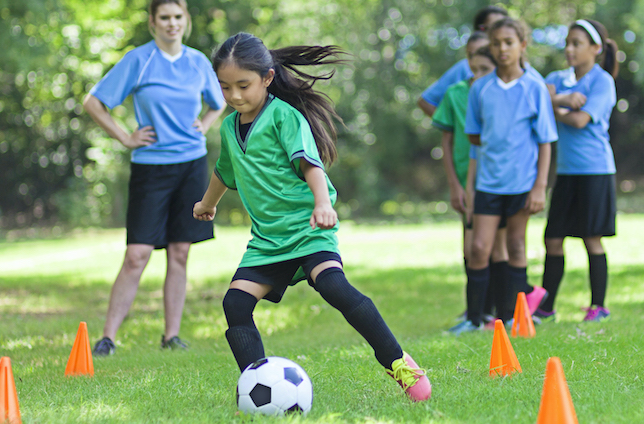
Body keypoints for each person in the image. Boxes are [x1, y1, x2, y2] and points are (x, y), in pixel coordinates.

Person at [192, 32, 431, 401]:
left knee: (334, 287)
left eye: (244, 85)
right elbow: (225, 172)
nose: (235, 96)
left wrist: (323, 204)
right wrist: (208, 203)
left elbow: (309, 163)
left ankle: (398, 361)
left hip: (307, 229)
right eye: (225, 87)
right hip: (269, 240)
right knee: (235, 304)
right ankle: (254, 387)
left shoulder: (284, 117)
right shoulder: (227, 127)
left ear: (267, 78)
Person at [83, 0, 226, 356]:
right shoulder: (138, 60)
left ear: (186, 20)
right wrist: (125, 138)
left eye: (178, 16)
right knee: (137, 254)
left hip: (191, 165)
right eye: (165, 17)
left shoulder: (197, 62)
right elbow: (93, 103)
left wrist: (205, 124)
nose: (172, 24)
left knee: (180, 252)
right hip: (150, 167)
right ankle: (108, 338)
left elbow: (219, 100)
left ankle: (171, 336)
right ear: (153, 22)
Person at [449, 18, 558, 334]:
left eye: (509, 42)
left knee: (516, 245)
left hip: (523, 185)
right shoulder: (480, 89)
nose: (502, 49)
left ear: (522, 46)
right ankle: (474, 319)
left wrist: (539, 186)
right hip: (488, 184)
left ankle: (513, 317)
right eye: (496, 43)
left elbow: (545, 141)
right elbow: (474, 136)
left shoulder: (534, 87)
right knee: (479, 248)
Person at [534, 19, 618, 323]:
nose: (569, 49)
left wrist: (554, 106)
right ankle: (546, 307)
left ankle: (599, 307)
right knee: (553, 239)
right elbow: (533, 98)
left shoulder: (602, 81)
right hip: (567, 173)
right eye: (567, 43)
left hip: (596, 171)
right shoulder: (557, 77)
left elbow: (581, 120)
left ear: (596, 49)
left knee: (591, 238)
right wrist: (563, 99)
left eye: (577, 43)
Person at [432, 40, 507, 325]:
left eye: (484, 70)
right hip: (468, 182)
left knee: (498, 248)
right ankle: (476, 314)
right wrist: (455, 184)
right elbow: (448, 142)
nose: (477, 76)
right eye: (473, 69)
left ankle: (501, 314)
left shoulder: (500, 94)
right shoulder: (456, 93)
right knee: (472, 249)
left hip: (499, 182)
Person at [418, 6, 508, 117]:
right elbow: (425, 101)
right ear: (480, 30)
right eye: (492, 28)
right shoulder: (463, 67)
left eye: (502, 27)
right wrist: (453, 126)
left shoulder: (517, 70)